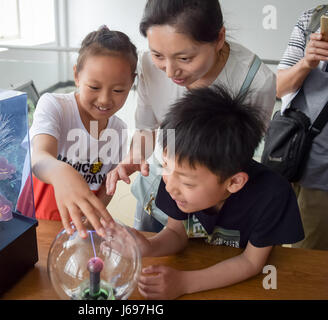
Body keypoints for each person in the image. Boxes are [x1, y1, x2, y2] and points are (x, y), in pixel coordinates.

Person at [106, 0, 276, 232]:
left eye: (184, 59)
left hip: (213, 202)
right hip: (162, 186)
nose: (169, 71)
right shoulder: (148, 64)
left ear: (219, 38)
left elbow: (238, 156)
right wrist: (135, 155)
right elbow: (146, 128)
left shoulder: (255, 81)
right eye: (158, 55)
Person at [122, 86, 304, 299]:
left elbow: (251, 262)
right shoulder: (175, 176)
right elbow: (175, 233)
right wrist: (149, 247)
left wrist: (184, 282)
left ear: (234, 182)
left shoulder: (273, 195)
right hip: (203, 260)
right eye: (165, 167)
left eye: (188, 184)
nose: (170, 186)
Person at [17, 26, 138, 238]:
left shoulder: (118, 130)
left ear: (132, 83)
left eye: (118, 90)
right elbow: (40, 157)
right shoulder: (55, 106)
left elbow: (105, 184)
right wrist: (60, 171)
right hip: (36, 220)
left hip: (78, 230)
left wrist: (94, 215)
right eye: (94, 87)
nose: (104, 100)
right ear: (76, 75)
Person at [276, 1, 328, 251]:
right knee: (263, 244)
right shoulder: (313, 18)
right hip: (285, 156)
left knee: (308, 257)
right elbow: (279, 87)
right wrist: (307, 62)